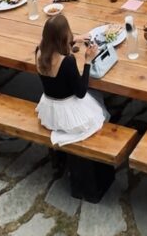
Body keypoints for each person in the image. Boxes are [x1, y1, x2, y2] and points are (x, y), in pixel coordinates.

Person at [35, 13, 108, 146]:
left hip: (50, 110)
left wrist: (76, 39)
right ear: (64, 36)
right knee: (101, 112)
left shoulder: (39, 52)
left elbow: (54, 42)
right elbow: (81, 93)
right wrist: (88, 61)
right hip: (68, 113)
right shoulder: (67, 61)